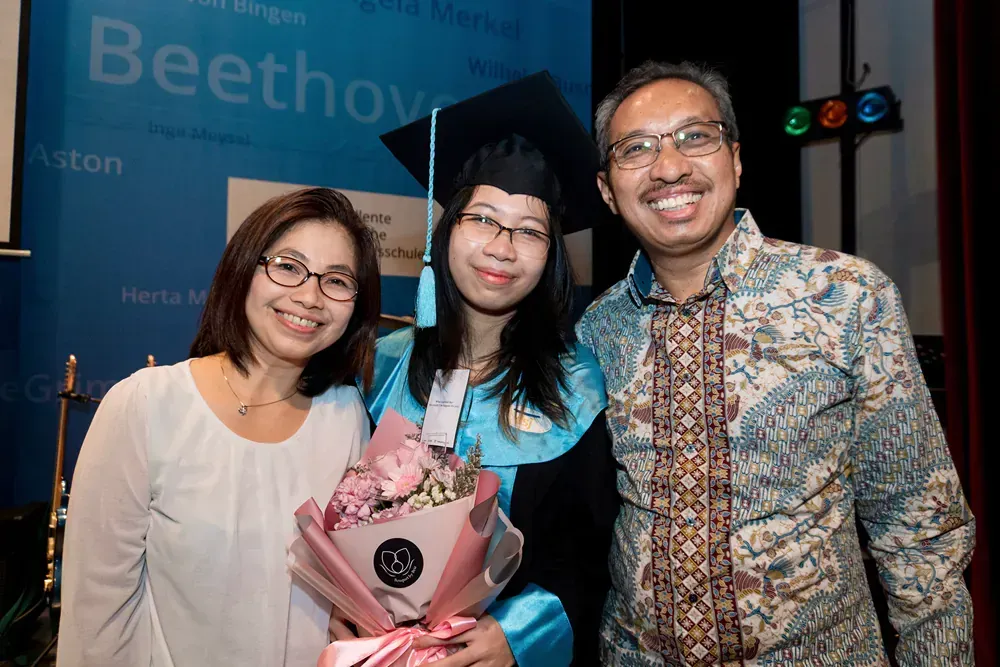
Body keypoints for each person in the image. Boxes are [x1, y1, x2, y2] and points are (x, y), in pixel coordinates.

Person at [576, 60, 976, 666]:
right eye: (636, 148)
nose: (669, 166)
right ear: (607, 190)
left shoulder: (845, 295)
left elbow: (920, 528)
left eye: (695, 136)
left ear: (735, 159)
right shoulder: (597, 330)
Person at [57, 188, 382, 667]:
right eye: (288, 267)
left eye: (337, 280)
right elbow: (97, 616)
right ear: (244, 269)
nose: (310, 296)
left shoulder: (347, 416)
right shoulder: (146, 405)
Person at [362, 72, 620, 667]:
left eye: (530, 231)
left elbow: (592, 557)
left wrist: (518, 634)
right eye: (483, 220)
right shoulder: (381, 367)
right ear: (447, 229)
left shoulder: (578, 388)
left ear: (552, 254)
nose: (503, 248)